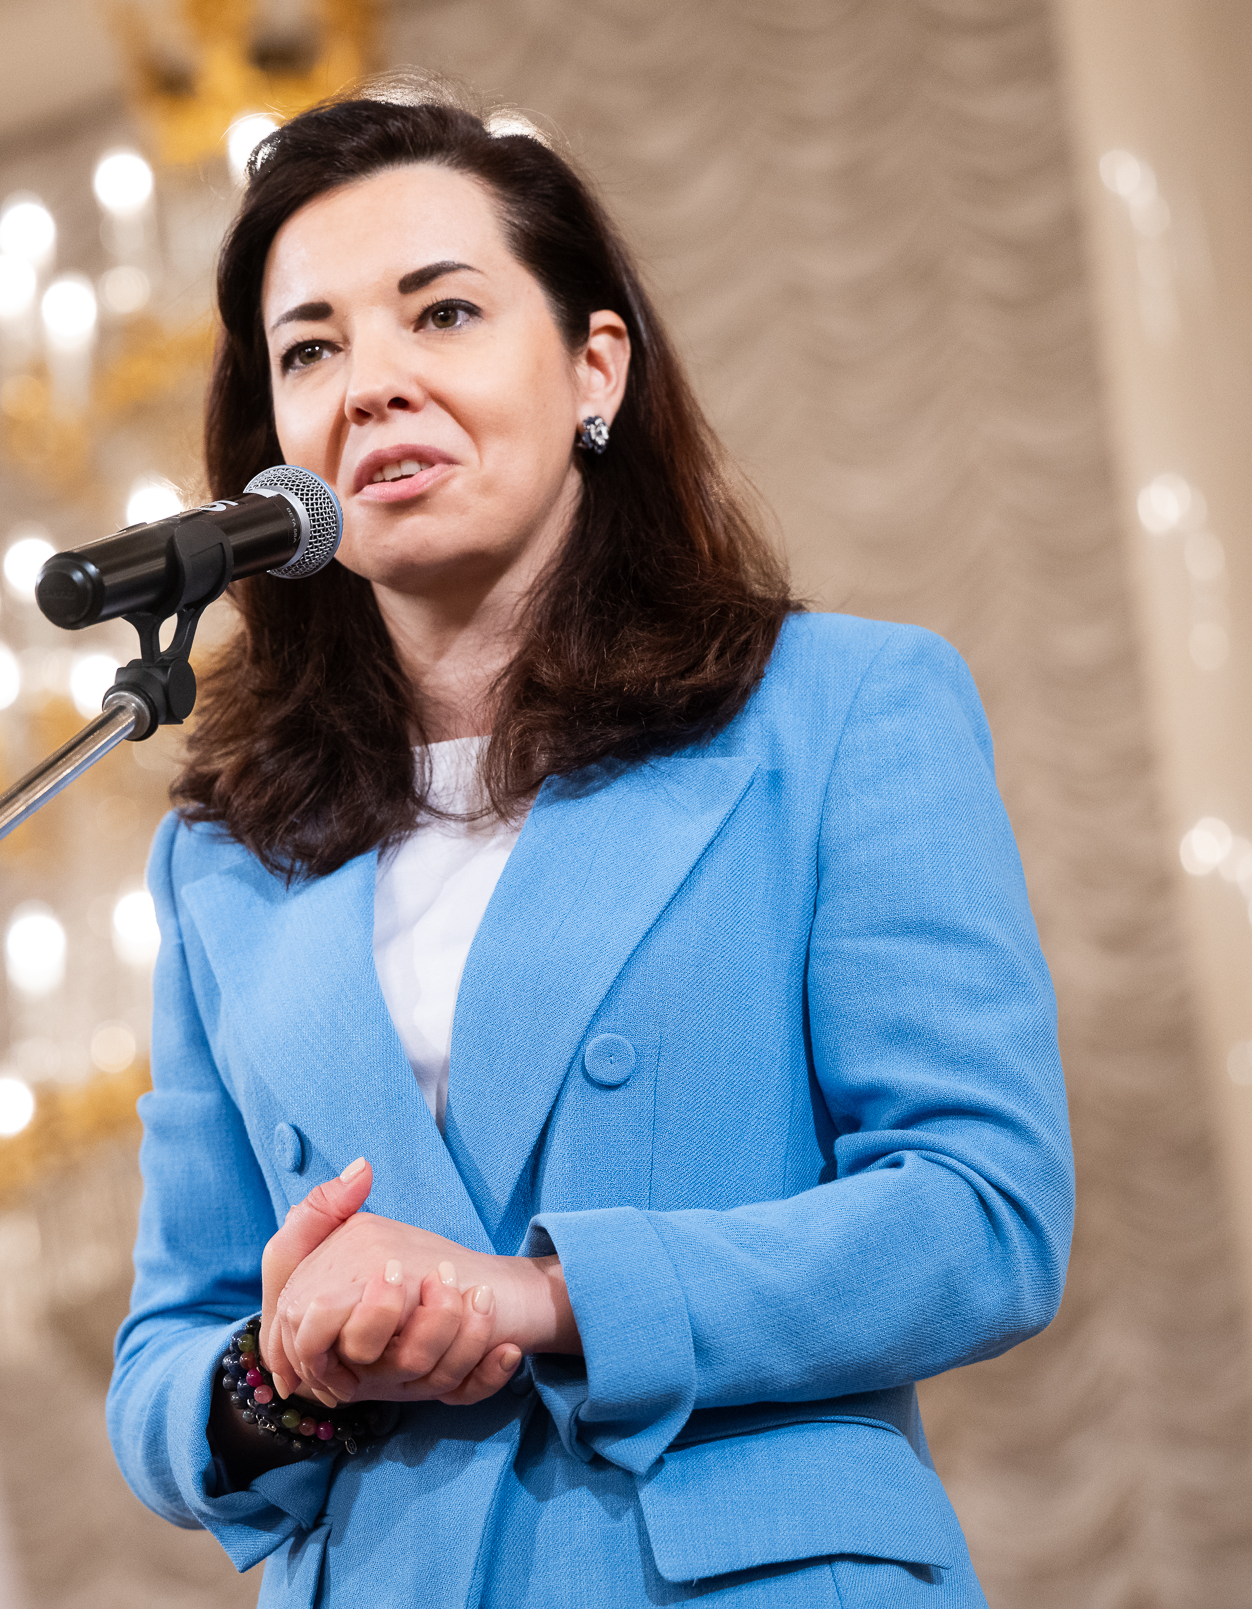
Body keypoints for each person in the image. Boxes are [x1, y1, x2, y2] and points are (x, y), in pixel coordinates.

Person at [104, 87, 1071, 1608]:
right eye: (311, 350)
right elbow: (167, 1348)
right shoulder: (222, 857)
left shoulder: (841, 710)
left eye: (442, 314)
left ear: (593, 368)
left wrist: (548, 1300)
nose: (373, 385)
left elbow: (982, 1212)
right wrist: (276, 1377)